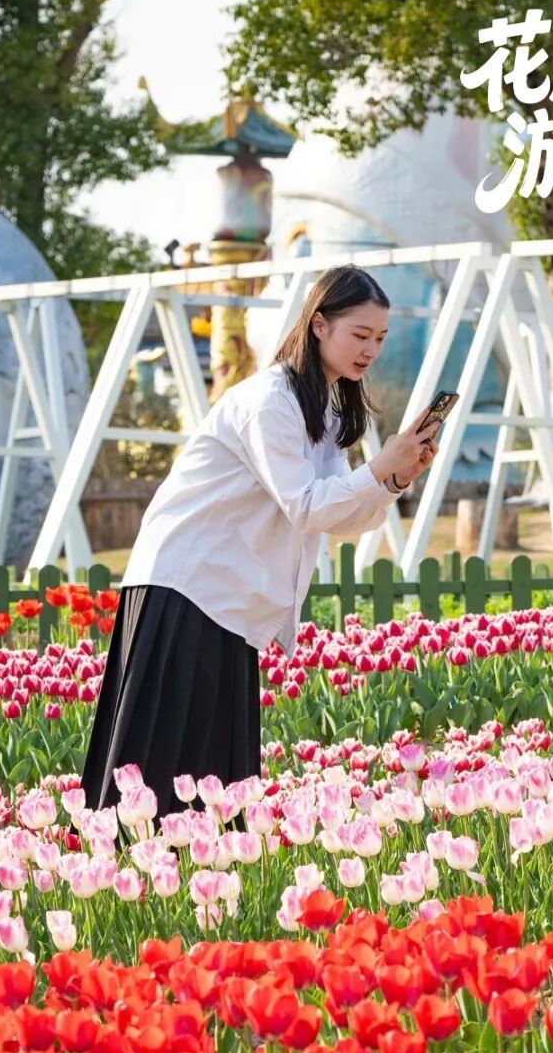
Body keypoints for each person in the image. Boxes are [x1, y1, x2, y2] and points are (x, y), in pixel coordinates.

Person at [80, 263, 442, 823]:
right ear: (319, 325)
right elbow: (307, 506)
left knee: (214, 777)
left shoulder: (323, 406)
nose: (371, 350)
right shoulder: (272, 400)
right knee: (157, 774)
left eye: (380, 338)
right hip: (187, 584)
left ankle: (196, 868)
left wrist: (394, 478)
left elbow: (336, 517)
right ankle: (124, 862)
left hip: (226, 597)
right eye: (360, 335)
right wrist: (377, 469)